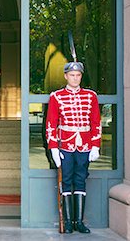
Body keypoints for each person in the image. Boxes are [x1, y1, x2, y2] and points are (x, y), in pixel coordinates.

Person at [46, 61, 101, 234]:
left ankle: (79, 221)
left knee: (80, 180)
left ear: (81, 76)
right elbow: (51, 123)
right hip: (66, 145)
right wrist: (53, 148)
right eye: (72, 75)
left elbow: (95, 122)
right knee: (66, 180)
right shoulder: (56, 96)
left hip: (84, 145)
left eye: (78, 75)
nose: (75, 78)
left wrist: (95, 146)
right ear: (65, 76)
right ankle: (68, 221)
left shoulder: (91, 96)